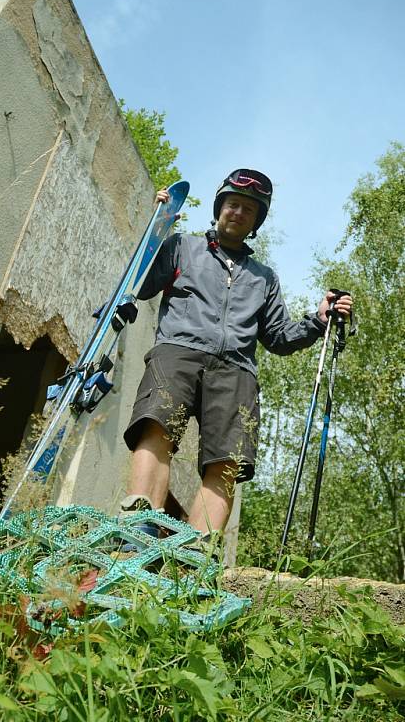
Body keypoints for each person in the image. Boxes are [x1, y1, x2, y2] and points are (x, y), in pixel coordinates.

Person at [121, 168, 353, 541]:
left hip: (237, 371)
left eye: (249, 209)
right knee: (157, 427)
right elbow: (140, 284)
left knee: (227, 462)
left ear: (256, 222)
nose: (239, 212)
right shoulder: (181, 246)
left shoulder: (265, 277)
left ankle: (196, 554)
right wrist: (155, 231)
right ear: (219, 208)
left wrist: (318, 320)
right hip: (177, 351)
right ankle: (137, 528)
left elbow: (278, 337)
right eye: (233, 204)